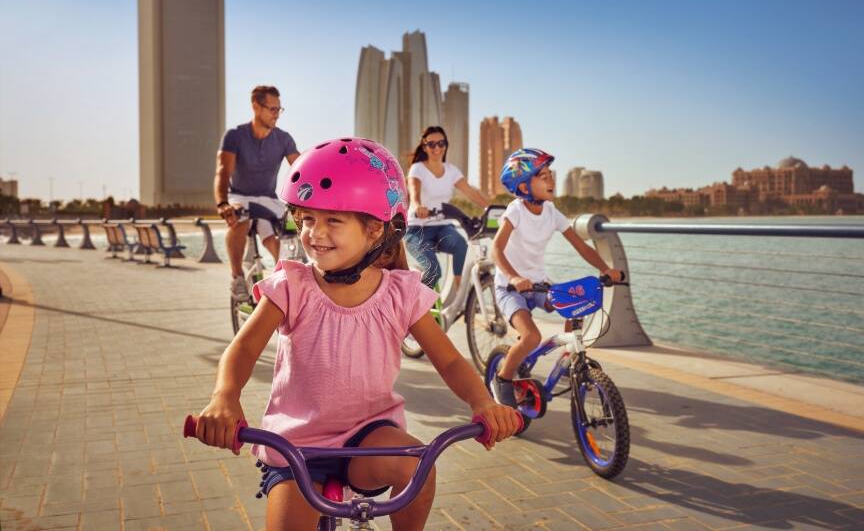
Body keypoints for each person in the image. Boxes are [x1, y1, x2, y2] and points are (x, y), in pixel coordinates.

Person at [195, 138, 520, 531]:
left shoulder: (400, 293)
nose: (314, 233)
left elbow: (449, 359)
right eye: (307, 219)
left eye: (333, 221)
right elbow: (244, 348)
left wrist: (482, 401)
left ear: (375, 229)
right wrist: (225, 397)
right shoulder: (291, 285)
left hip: (368, 437)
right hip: (296, 445)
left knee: (417, 465)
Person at [491, 148, 624, 408]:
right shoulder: (516, 210)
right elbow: (496, 249)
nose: (551, 180)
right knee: (531, 337)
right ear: (524, 186)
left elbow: (581, 246)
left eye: (551, 174)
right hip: (510, 288)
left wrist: (605, 269)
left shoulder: (551, 212)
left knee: (577, 303)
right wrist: (514, 277)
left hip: (539, 284)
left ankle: (567, 358)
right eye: (543, 176)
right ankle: (502, 379)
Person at [214, 85, 300, 300]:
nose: (276, 114)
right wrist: (222, 203)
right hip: (240, 195)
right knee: (240, 215)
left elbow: (301, 169)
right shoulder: (235, 136)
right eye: (272, 109)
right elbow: (223, 171)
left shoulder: (283, 138)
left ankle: (287, 282)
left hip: (269, 199)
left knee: (287, 230)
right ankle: (237, 277)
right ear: (256, 107)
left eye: (279, 109)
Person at [405, 126, 490, 291]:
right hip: (417, 229)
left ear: (445, 145)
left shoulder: (451, 171)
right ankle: (417, 304)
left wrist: (491, 208)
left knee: (461, 246)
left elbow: (470, 192)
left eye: (441, 143)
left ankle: (461, 294)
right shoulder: (418, 168)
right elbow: (414, 191)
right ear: (424, 147)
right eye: (431, 144)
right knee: (433, 270)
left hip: (443, 227)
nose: (437, 148)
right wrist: (418, 206)